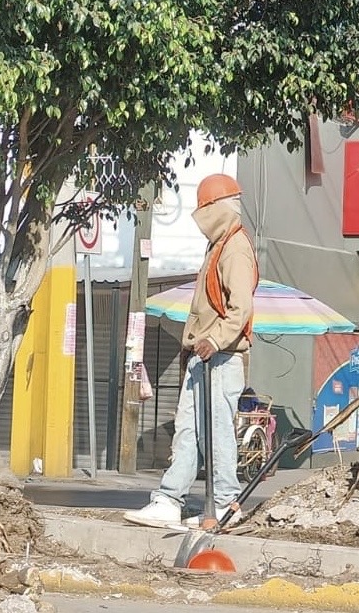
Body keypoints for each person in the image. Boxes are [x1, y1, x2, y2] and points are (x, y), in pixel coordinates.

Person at [123, 173, 258, 529]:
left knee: (215, 434)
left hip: (221, 358)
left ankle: (227, 504)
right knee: (189, 431)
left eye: (204, 208)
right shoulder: (220, 245)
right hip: (207, 358)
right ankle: (170, 500)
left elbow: (240, 307)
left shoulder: (234, 247)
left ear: (214, 208)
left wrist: (214, 339)